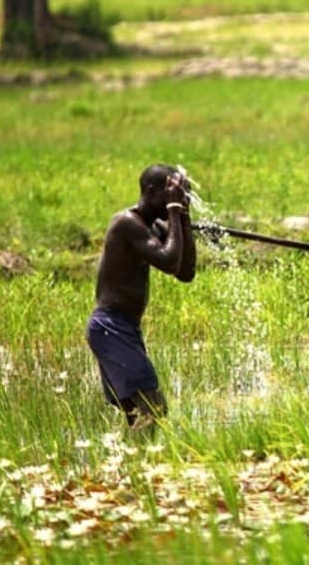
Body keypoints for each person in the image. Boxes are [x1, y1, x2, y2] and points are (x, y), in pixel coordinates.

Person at [86, 164, 196, 430]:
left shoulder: (153, 227)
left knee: (139, 413)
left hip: (125, 329)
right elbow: (169, 261)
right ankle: (140, 467)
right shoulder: (126, 222)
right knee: (152, 408)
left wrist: (183, 219)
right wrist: (173, 212)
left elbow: (185, 271)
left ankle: (129, 466)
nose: (175, 200)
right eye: (169, 194)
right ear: (150, 191)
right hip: (111, 327)